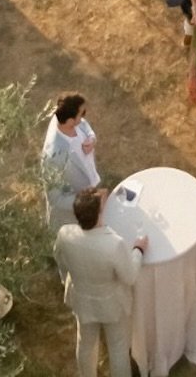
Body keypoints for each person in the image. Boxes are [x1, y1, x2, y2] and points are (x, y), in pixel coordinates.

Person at [53, 184, 145, 377]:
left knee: (85, 343)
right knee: (118, 348)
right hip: (111, 304)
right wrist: (139, 250)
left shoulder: (64, 234)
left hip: (82, 299)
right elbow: (130, 276)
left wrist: (96, 196)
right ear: (98, 215)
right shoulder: (113, 244)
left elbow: (60, 259)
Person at [42, 93, 101, 232]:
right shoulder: (53, 157)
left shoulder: (68, 120)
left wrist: (92, 138)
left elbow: (85, 126)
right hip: (74, 218)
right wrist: (88, 201)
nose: (84, 117)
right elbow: (55, 199)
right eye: (82, 114)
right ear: (69, 121)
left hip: (91, 185)